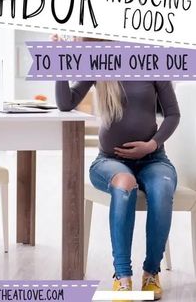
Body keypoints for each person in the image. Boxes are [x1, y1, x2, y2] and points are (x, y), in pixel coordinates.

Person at [56, 79, 180, 300]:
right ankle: (122, 277)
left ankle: (151, 273)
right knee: (125, 183)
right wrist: (59, 66)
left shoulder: (152, 62)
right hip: (109, 161)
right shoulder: (100, 62)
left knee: (162, 189)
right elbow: (66, 103)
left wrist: (152, 145)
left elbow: (173, 114)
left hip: (154, 159)